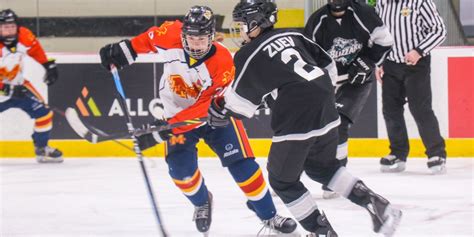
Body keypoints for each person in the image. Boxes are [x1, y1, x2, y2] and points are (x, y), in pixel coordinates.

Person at [208, 0, 402, 236]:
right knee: (322, 168)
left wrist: (220, 109)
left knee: (282, 181)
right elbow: (328, 65)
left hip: (296, 118)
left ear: (258, 22)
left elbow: (241, 105)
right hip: (327, 108)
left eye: (243, 24)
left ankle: (321, 232)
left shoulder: (250, 52)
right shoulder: (295, 34)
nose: (239, 30)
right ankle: (377, 204)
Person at [98, 6, 297, 235]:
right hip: (176, 117)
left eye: (202, 39)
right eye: (191, 38)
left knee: (244, 168)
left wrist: (162, 130)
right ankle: (202, 202)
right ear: (183, 34)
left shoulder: (224, 62)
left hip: (217, 117)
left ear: (211, 37)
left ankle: (269, 216)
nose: (195, 45)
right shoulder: (170, 33)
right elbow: (150, 37)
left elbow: (204, 108)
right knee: (181, 173)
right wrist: (125, 51)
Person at [303, 0, 393, 198]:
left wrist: (367, 61)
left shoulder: (364, 13)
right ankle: (294, 171)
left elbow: (385, 41)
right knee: (311, 126)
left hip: (357, 81)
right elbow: (308, 55)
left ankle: (336, 176)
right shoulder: (317, 21)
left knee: (340, 124)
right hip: (327, 82)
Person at [375, 0, 447, 174]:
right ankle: (398, 153)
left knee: (420, 109)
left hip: (417, 64)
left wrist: (419, 51)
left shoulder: (420, 2)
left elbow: (439, 30)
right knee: (391, 110)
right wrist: (379, 63)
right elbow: (377, 35)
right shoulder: (381, 3)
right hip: (390, 64)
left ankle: (436, 153)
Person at [0, 9, 62, 163]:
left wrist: (47, 65)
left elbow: (35, 49)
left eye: (12, 26)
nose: (9, 30)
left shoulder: (24, 35)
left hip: (19, 85)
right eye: (5, 27)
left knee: (44, 114)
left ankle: (42, 148)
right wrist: (6, 89)